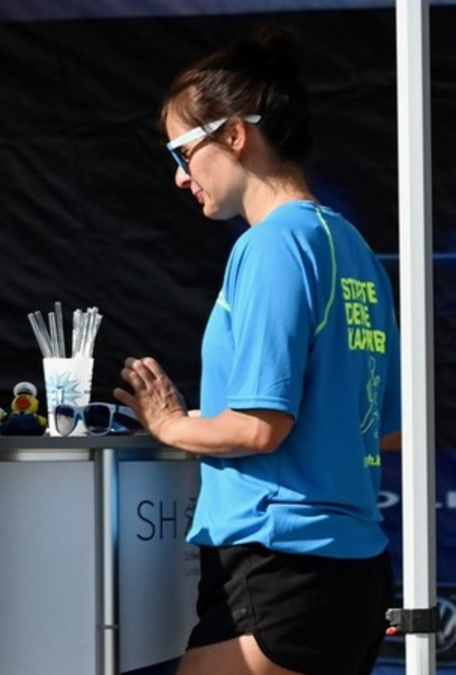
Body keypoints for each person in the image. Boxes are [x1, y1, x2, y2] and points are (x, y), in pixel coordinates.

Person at [114, 24, 400, 675]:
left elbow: (259, 425)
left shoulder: (271, 245)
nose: (180, 177)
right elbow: (389, 427)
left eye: (183, 152)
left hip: (281, 565)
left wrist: (170, 423)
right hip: (350, 572)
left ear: (235, 135)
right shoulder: (354, 249)